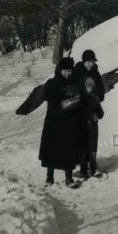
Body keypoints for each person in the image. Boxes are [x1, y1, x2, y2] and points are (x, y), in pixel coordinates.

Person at [39, 57, 83, 187]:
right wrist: (62, 94)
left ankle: (69, 178)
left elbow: (81, 99)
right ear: (59, 70)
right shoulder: (52, 82)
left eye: (69, 70)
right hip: (54, 121)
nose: (67, 73)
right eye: (65, 71)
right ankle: (49, 178)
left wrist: (76, 100)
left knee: (68, 149)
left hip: (69, 122)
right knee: (51, 150)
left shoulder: (75, 82)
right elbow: (46, 94)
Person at [74, 49, 105, 177]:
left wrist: (97, 94)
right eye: (88, 62)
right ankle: (83, 166)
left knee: (93, 138)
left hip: (92, 110)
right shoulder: (76, 73)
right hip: (79, 112)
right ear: (83, 61)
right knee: (82, 140)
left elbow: (101, 92)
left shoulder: (96, 74)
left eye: (92, 61)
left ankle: (93, 166)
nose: (90, 64)